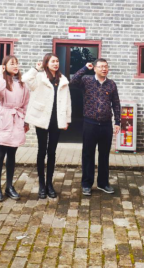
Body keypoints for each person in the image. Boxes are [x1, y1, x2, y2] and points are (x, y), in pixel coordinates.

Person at [23, 53, 71, 199]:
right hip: (42, 119)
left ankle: (49, 183)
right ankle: (41, 184)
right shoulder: (39, 77)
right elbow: (25, 80)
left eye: (57, 61)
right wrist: (35, 69)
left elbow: (67, 100)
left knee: (52, 151)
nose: (56, 64)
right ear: (46, 63)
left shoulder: (62, 79)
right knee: (42, 150)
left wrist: (67, 119)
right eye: (52, 61)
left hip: (57, 119)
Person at [71, 59, 121, 197]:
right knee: (88, 154)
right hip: (90, 124)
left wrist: (117, 121)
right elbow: (73, 81)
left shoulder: (111, 84)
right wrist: (84, 68)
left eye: (106, 66)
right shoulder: (86, 80)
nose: (104, 69)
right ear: (95, 68)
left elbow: (116, 103)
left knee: (104, 155)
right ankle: (87, 184)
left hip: (106, 125)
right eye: (101, 67)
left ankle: (103, 183)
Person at [0, 55, 30, 202]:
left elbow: (26, 103)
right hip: (4, 119)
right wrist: (0, 74)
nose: (15, 66)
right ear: (4, 66)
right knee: (0, 154)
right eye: (12, 64)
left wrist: (25, 120)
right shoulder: (2, 82)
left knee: (12, 155)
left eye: (16, 63)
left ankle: (9, 186)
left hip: (17, 119)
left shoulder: (22, 83)